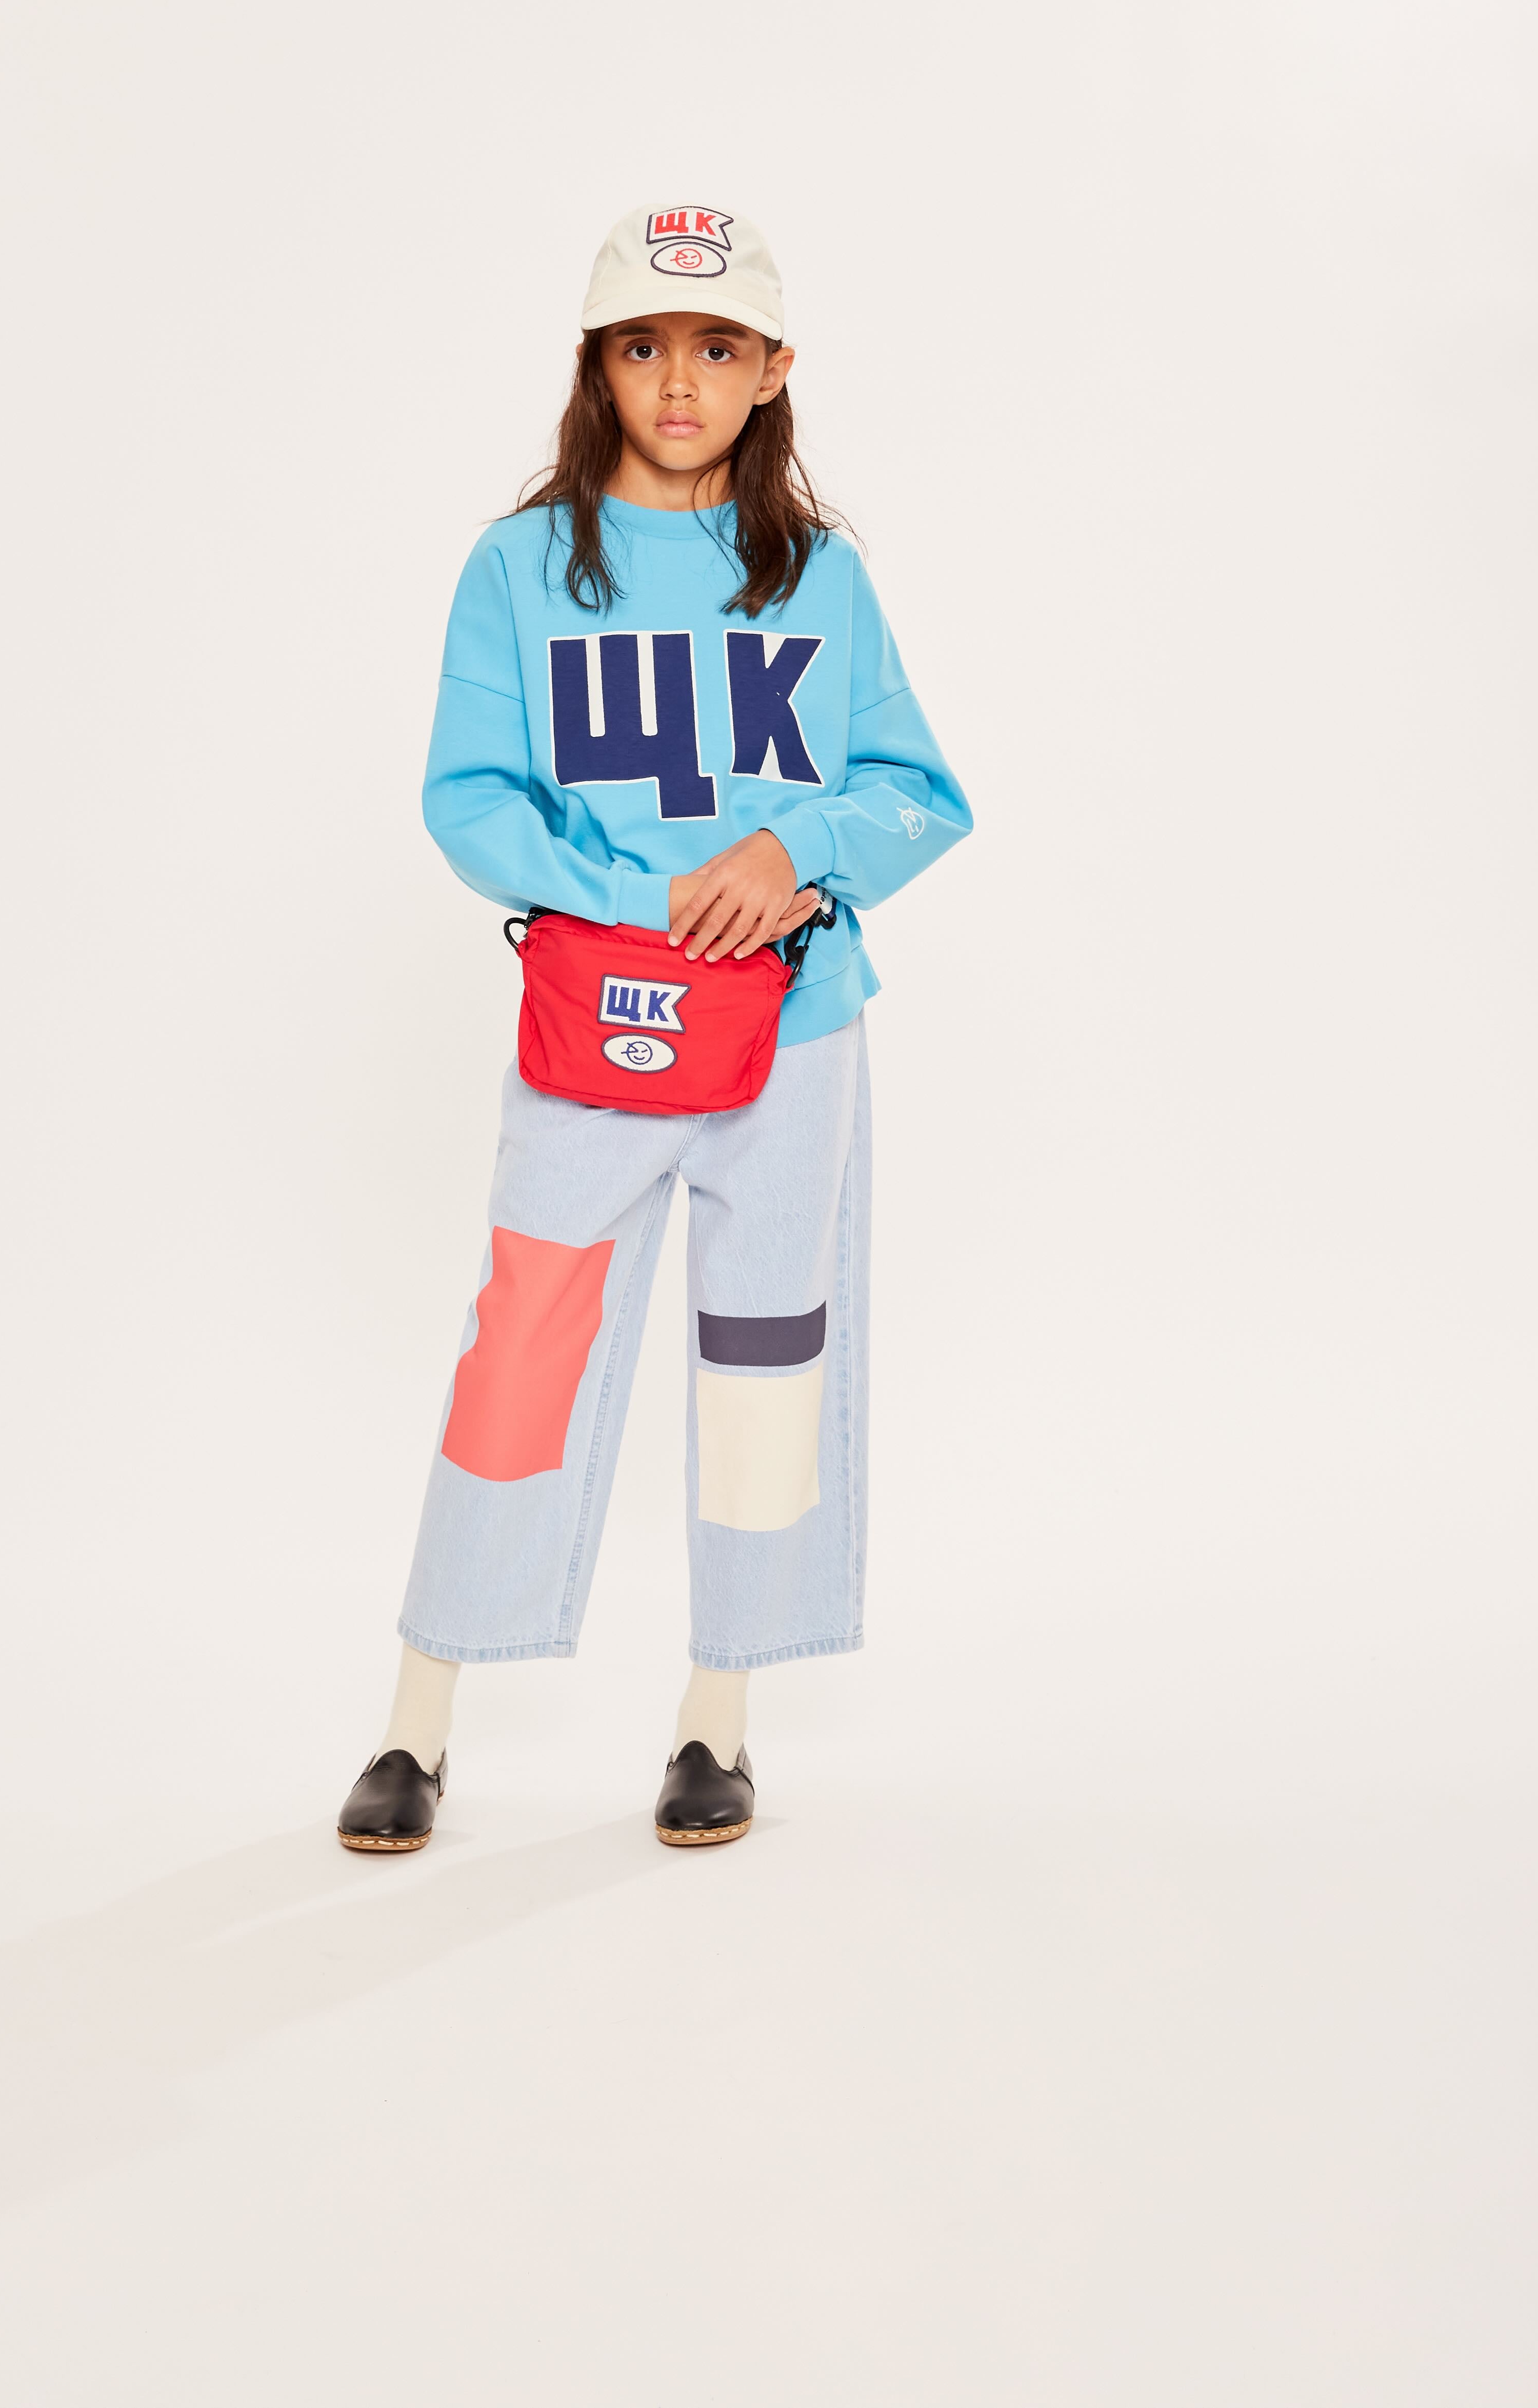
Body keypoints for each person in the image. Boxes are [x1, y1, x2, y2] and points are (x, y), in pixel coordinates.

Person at [336, 204, 972, 1853]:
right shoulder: (519, 567)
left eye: (714, 346)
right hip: (597, 1027)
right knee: (524, 1350)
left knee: (765, 1360)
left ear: (771, 370)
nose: (676, 380)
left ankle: (716, 1718)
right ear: (594, 365)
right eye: (641, 345)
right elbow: (471, 799)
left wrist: (791, 853)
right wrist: (640, 899)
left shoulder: (823, 576)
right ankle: (418, 1716)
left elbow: (918, 792)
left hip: (794, 1028)